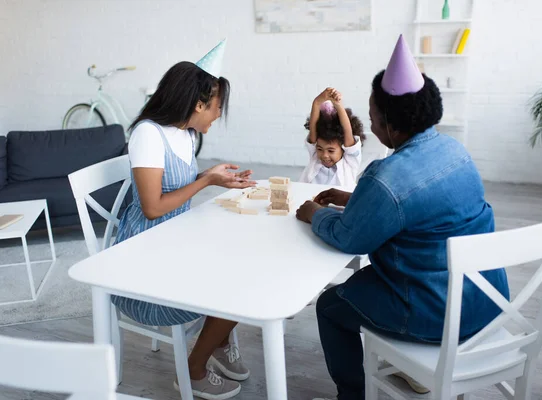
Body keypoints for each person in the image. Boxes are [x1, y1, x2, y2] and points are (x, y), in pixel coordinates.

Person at [296, 34, 510, 400]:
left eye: (375, 117)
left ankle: (352, 395)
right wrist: (352, 197)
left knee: (330, 307)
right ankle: (413, 369)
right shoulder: (457, 152)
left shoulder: (386, 175)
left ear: (393, 125)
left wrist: (315, 213)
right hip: (487, 302)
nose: (373, 127)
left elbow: (351, 238)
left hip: (436, 312)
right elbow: (418, 207)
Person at [111, 39, 254, 400]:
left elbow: (176, 184)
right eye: (216, 109)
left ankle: (215, 344)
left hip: (174, 239)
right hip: (141, 257)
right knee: (235, 285)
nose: (217, 115)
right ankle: (192, 367)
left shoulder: (185, 134)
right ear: (198, 104)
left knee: (246, 263)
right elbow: (153, 208)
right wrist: (206, 181)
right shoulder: (147, 134)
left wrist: (215, 177)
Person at [299, 87, 366, 188]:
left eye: (331, 151)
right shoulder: (315, 157)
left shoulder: (350, 162)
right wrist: (317, 102)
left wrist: (338, 105)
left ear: (343, 149)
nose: (324, 155)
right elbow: (313, 128)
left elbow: (347, 130)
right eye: (320, 149)